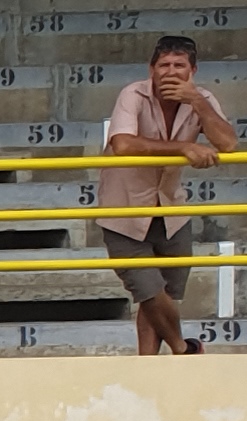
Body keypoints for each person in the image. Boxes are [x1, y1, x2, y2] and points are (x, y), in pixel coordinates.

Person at [100, 33, 237, 357]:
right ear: (151, 70)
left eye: (179, 65)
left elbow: (228, 143)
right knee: (150, 292)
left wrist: (198, 103)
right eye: (163, 65)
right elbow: (123, 144)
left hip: (172, 209)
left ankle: (150, 365)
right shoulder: (132, 94)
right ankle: (183, 348)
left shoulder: (201, 98)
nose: (170, 72)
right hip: (124, 210)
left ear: (193, 71)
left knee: (163, 297)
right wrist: (184, 147)